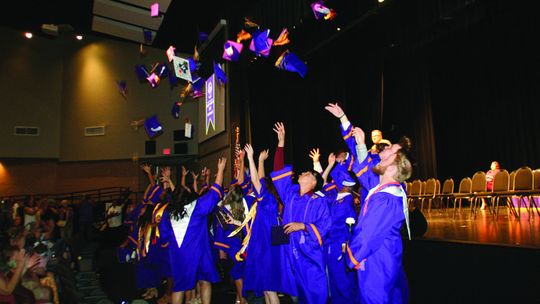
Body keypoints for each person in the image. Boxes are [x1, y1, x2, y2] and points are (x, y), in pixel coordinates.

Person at [269, 122, 331, 304]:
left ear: (314, 182)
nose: (302, 173)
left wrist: (303, 226)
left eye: (307, 173)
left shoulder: (319, 202)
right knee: (295, 296)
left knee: (315, 295)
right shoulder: (290, 194)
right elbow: (279, 171)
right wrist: (281, 143)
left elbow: (325, 226)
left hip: (309, 256)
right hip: (289, 252)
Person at [345, 140, 413, 304]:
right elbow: (366, 171)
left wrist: (351, 255)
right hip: (381, 256)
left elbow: (368, 237)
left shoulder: (386, 199)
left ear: (393, 168)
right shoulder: (384, 192)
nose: (380, 159)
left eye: (387, 158)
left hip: (377, 262)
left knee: (375, 298)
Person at [157, 157, 227, 304]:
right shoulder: (196, 208)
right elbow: (215, 191)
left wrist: (169, 181)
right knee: (205, 281)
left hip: (179, 255)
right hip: (200, 253)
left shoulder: (168, 214)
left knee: (179, 287)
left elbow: (163, 236)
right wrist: (220, 170)